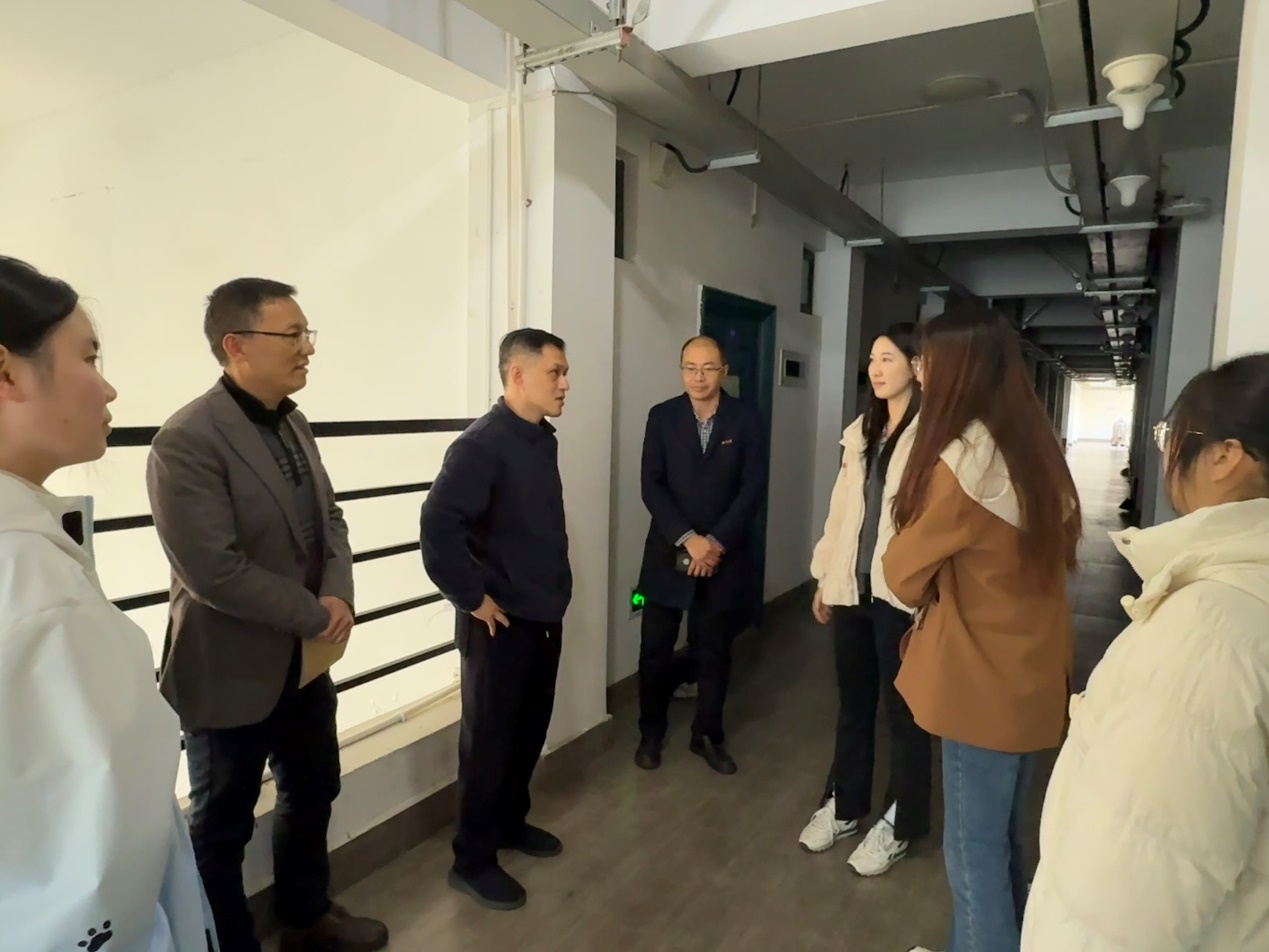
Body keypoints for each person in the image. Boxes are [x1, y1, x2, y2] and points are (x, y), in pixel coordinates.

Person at [147, 279, 387, 952]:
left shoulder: (292, 421)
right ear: (236, 345)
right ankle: (230, 944)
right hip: (228, 668)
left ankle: (306, 917)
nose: (307, 347)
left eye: (307, 333)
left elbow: (329, 519)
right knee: (222, 826)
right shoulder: (186, 440)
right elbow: (212, 571)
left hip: (304, 662)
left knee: (313, 789)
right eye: (292, 335)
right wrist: (314, 613)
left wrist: (338, 595)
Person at [0, 257, 218, 951]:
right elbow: (98, 879)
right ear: (6, 372)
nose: (109, 386)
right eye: (89, 357)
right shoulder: (36, 587)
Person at [1023, 354, 1269, 951]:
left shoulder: (1207, 639)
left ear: (1224, 457)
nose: (1163, 455)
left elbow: (1118, 909)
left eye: (1169, 435)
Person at [882, 304, 1081, 952]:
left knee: (971, 856)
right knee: (1005, 843)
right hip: (1032, 678)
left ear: (960, 368)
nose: (918, 370)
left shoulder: (965, 462)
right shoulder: (1036, 451)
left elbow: (900, 574)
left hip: (979, 686)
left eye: (927, 359)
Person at [420, 328, 572, 912]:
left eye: (565, 372)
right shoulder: (481, 445)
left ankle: (511, 822)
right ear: (517, 375)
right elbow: (438, 526)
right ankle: (473, 861)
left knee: (528, 730)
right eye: (555, 372)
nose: (565, 383)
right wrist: (472, 597)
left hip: (541, 614)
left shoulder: (539, 438)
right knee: (488, 742)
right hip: (498, 622)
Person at [798, 322, 932, 878]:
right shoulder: (862, 433)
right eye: (872, 359)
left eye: (888, 358)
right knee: (854, 704)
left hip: (899, 595)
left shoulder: (933, 436)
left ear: (917, 366)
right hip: (853, 588)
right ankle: (846, 805)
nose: (876, 369)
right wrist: (824, 575)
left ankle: (902, 823)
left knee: (905, 714)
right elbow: (841, 513)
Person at [634, 335, 769, 775]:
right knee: (655, 648)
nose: (698, 376)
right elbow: (651, 485)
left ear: (723, 371)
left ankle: (707, 734)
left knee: (713, 650)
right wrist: (688, 538)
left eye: (708, 368)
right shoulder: (662, 417)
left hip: (721, 557)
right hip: (668, 551)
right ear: (681, 370)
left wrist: (714, 543)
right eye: (690, 367)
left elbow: (752, 488)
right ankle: (650, 732)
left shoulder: (746, 420)